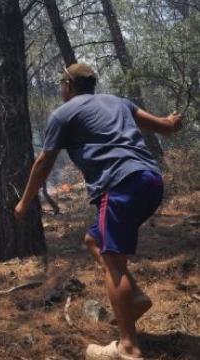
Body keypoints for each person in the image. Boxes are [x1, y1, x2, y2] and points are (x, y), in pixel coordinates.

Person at [14, 64, 182, 360]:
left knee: (113, 261)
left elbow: (44, 162)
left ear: (68, 85)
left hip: (119, 185)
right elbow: (166, 127)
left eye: (61, 83)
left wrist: (24, 203)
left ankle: (128, 348)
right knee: (95, 241)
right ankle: (136, 297)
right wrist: (172, 120)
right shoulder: (118, 102)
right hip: (150, 181)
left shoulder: (63, 114)